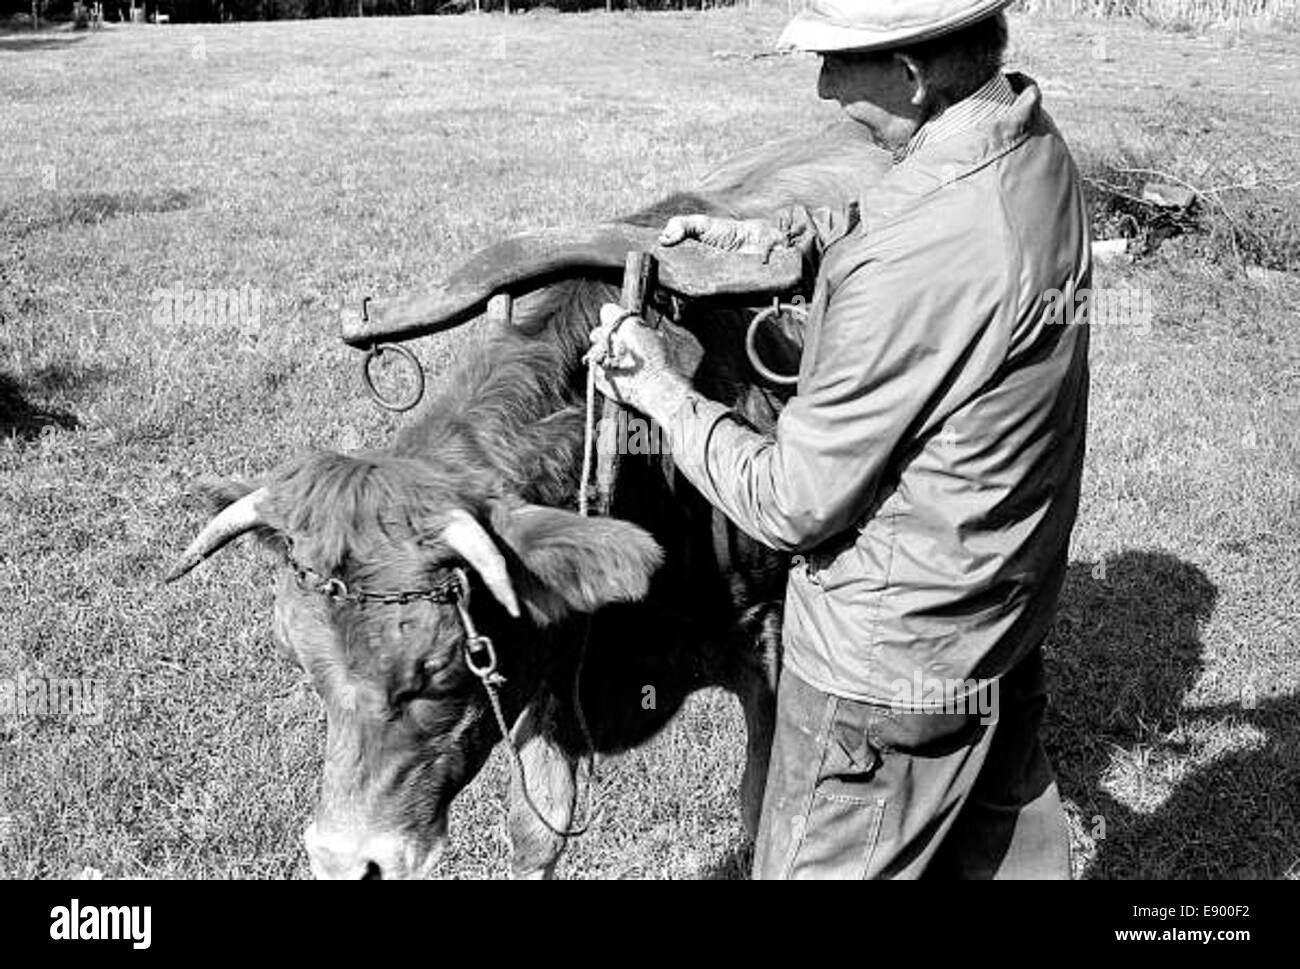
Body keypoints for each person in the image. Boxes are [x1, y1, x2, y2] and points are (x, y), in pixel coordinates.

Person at [588, 0, 1091, 879]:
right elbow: (922, 228)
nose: (823, 89)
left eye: (836, 64)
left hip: (886, 672)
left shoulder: (910, 256)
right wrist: (778, 237)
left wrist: (658, 391)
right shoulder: (1031, 146)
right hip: (998, 611)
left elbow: (791, 502)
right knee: (1003, 853)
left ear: (911, 75)